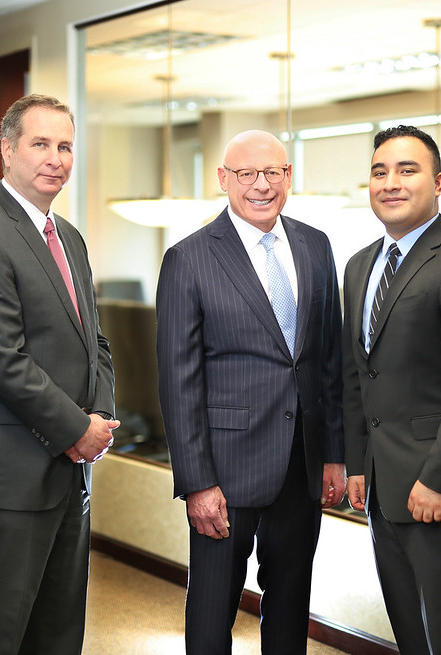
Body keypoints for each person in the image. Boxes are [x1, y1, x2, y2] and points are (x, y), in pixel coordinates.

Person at [0, 94, 118, 655]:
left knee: (58, 631)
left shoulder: (69, 236)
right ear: (7, 150)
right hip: (7, 477)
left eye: (65, 146)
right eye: (40, 144)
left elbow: (96, 341)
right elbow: (0, 358)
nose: (55, 158)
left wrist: (103, 417)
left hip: (68, 475)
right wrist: (75, 430)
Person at [156, 129, 346, 654]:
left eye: (274, 173)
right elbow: (178, 381)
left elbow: (327, 359)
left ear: (289, 177)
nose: (262, 185)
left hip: (300, 465)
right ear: (223, 179)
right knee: (213, 613)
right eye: (247, 174)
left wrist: (333, 454)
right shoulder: (189, 258)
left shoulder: (315, 245)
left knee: (289, 607)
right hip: (224, 472)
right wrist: (196, 482)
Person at [342, 125, 441, 654]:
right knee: (412, 636)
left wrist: (439, 479)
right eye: (379, 171)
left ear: (438, 183)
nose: (390, 182)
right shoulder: (359, 264)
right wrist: (358, 464)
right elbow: (358, 373)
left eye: (406, 170)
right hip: (384, 489)